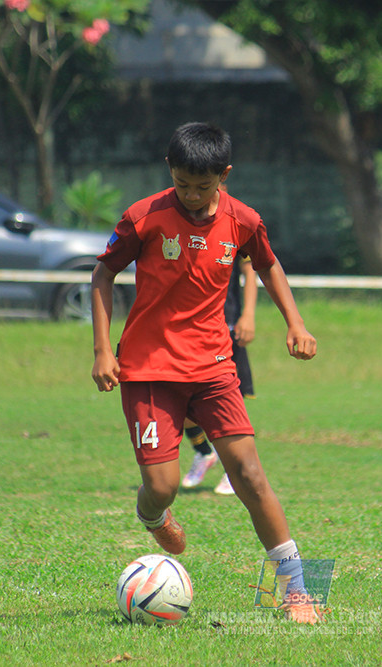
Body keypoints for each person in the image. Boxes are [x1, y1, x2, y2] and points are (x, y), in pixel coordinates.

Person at [90, 122, 321, 622]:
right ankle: (153, 514)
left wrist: (296, 322)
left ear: (224, 175)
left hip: (214, 367)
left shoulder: (243, 220)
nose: (192, 196)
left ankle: (298, 592)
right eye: (182, 185)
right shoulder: (143, 217)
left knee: (251, 476)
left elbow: (268, 265)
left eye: (203, 186)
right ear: (168, 170)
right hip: (149, 369)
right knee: (163, 486)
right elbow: (103, 273)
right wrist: (103, 350)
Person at [181, 255, 258, 495]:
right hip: (187, 328)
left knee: (228, 406)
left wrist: (248, 315)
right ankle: (204, 452)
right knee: (179, 401)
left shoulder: (235, 233)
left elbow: (250, 270)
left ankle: (232, 470)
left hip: (226, 326)